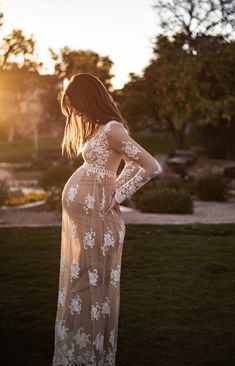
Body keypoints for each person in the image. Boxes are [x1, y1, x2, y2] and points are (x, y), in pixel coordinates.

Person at [52, 73, 162, 366]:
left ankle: (91, 354)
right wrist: (112, 187)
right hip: (86, 220)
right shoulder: (101, 128)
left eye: (74, 105)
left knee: (92, 284)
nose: (74, 112)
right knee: (81, 283)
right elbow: (123, 165)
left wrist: (118, 195)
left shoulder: (113, 129)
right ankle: (78, 350)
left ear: (87, 98)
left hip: (99, 220)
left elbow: (150, 166)